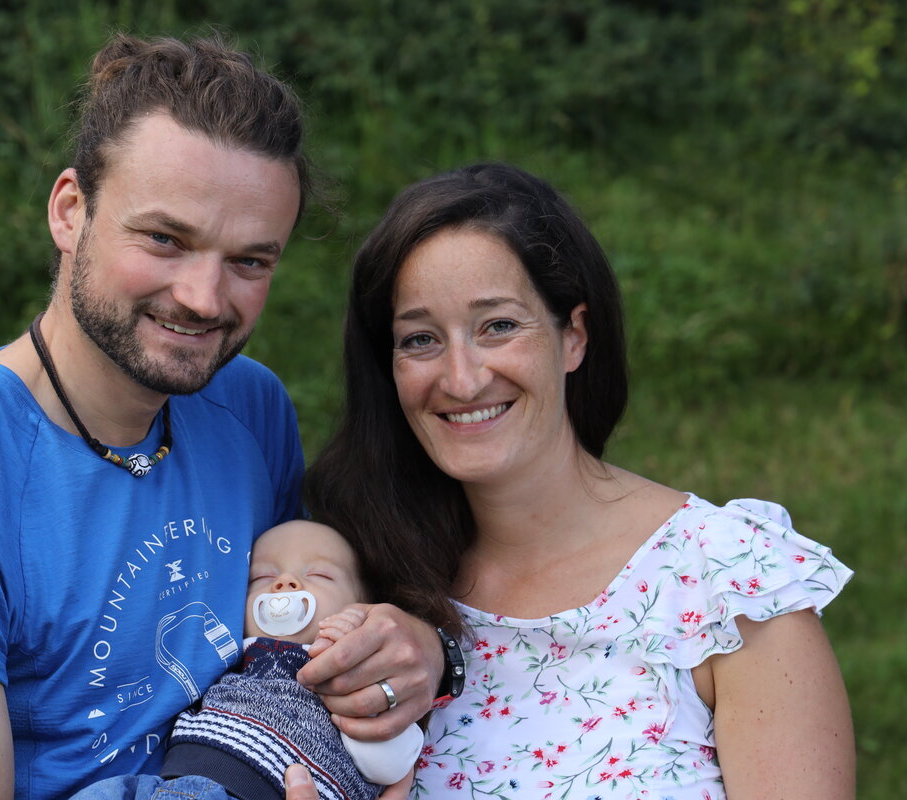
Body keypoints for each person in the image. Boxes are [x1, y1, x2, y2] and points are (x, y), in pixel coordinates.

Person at [0, 34, 443, 800]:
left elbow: (300, 619)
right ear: (69, 211)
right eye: (165, 239)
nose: (204, 299)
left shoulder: (248, 406)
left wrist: (417, 647)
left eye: (249, 260)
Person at [304, 162, 855, 799]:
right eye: (421, 339)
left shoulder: (727, 579)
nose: (462, 379)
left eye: (498, 326)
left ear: (574, 336)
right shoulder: (355, 582)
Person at [70, 519, 424, 800]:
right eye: (263, 577)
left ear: (364, 605)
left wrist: (353, 646)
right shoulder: (227, 652)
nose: (285, 582)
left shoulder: (359, 675)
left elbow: (387, 764)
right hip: (161, 783)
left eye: (319, 575)